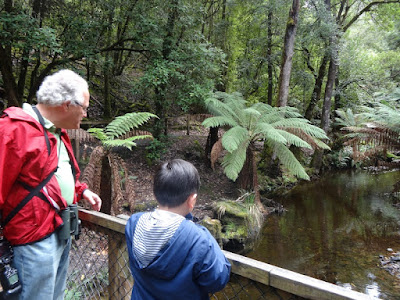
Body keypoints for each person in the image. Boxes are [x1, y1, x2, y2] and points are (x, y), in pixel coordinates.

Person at [0, 69, 102, 299]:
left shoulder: (57, 132)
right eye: (84, 107)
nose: (85, 114)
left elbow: (53, 174)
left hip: (60, 231)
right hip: (33, 240)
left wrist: (81, 190)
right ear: (66, 105)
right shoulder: (14, 129)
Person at [125, 159, 231, 300]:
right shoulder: (197, 238)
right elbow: (217, 279)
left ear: (156, 193)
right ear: (192, 200)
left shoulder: (134, 223)